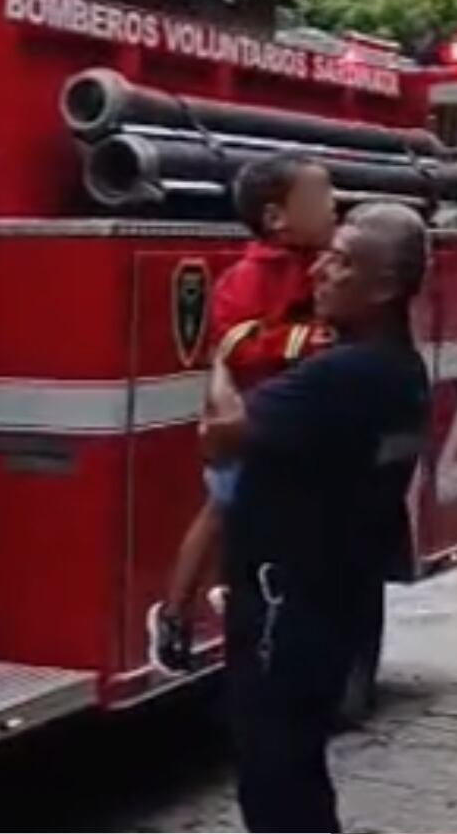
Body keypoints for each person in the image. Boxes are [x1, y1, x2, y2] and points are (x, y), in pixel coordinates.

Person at [203, 202, 431, 833]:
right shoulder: (400, 372)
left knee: (274, 777)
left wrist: (222, 355)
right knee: (296, 769)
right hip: (334, 602)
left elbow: (220, 436)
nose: (320, 272)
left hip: (289, 608)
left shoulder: (344, 375)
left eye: (342, 261)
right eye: (326, 254)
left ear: (384, 287)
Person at [148, 154, 338, 674]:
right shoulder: (249, 278)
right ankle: (175, 613)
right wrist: (313, 340)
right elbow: (237, 343)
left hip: (290, 427)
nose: (332, 207)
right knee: (222, 511)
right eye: (319, 199)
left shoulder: (319, 264)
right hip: (253, 421)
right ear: (277, 218)